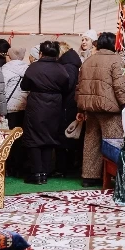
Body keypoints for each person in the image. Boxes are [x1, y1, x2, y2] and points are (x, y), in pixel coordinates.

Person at [76, 32, 125, 187]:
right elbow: (120, 87)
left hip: (90, 108)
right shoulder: (116, 60)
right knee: (113, 142)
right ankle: (115, 175)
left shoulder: (88, 60)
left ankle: (89, 177)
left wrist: (80, 108)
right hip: (110, 109)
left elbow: (79, 86)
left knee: (91, 142)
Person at [20, 40, 75, 184]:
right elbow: (66, 87)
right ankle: (45, 172)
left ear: (40, 53)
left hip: (36, 105)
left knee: (33, 138)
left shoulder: (33, 68)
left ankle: (36, 173)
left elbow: (24, 85)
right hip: (55, 106)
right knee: (49, 138)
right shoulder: (61, 69)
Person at [57, 44, 83, 176]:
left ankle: (64, 168)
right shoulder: (71, 64)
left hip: (67, 104)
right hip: (70, 103)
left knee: (66, 134)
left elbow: (68, 85)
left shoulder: (68, 66)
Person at [3, 46, 29, 133]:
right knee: (20, 133)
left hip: (9, 107)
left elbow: (2, 88)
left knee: (9, 135)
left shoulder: (6, 69)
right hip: (24, 106)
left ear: (10, 56)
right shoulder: (28, 68)